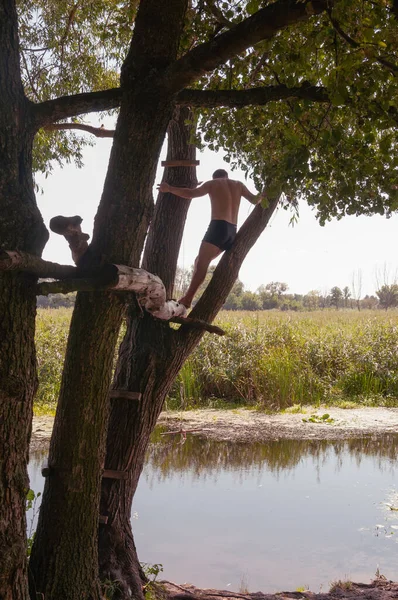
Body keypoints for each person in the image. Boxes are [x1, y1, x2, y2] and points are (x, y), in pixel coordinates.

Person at [157, 168, 264, 310]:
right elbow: (255, 200)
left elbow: (190, 194)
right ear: (227, 176)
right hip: (232, 231)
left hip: (218, 228)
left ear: (215, 177)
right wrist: (267, 192)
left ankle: (188, 298)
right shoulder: (238, 184)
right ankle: (189, 296)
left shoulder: (213, 183)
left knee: (202, 263)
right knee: (198, 261)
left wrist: (169, 188)